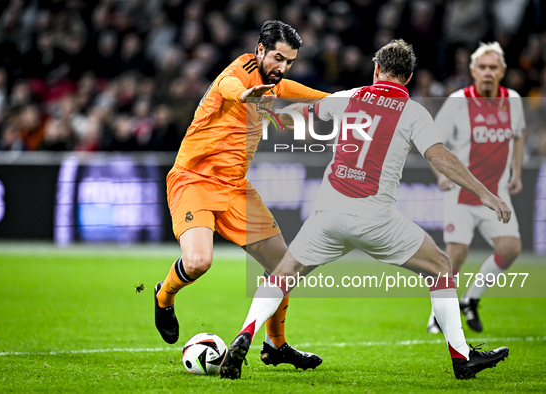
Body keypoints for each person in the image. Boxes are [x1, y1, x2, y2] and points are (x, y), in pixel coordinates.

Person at [220, 39, 510, 380]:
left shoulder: (349, 96)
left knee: (282, 274)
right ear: (409, 77)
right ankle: (462, 358)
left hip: (327, 214)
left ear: (376, 70)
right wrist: (485, 193)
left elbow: (300, 115)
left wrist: (264, 111)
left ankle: (244, 334)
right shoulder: (414, 111)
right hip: (375, 218)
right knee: (441, 267)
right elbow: (438, 157)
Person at [154, 20, 328, 370]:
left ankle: (275, 347)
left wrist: (346, 101)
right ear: (260, 50)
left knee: (284, 267)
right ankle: (164, 296)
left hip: (235, 187)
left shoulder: (271, 85)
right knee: (199, 262)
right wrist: (245, 95)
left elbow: (299, 93)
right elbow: (230, 84)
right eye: (278, 57)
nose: (282, 67)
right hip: (195, 180)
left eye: (289, 61)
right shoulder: (242, 71)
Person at [427, 42, 525, 334]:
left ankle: (470, 299)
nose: (487, 72)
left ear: (503, 71)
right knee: (455, 255)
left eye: (493, 67)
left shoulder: (513, 100)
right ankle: (438, 314)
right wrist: (440, 176)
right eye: (481, 67)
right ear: (472, 71)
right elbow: (432, 142)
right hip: (461, 192)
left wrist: (517, 172)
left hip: (497, 193)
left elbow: (518, 136)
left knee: (510, 249)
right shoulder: (458, 101)